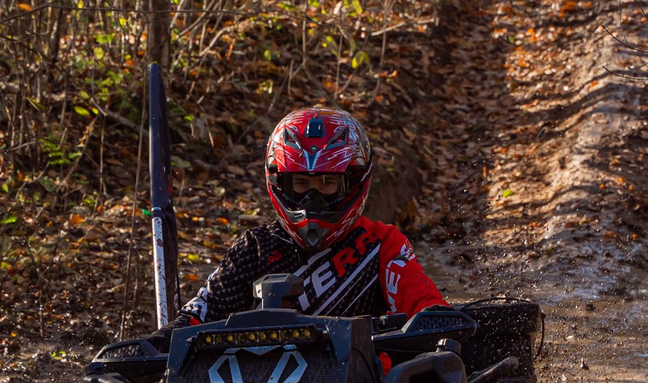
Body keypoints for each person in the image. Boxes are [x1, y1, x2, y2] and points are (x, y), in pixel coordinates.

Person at [182, 107, 448, 323]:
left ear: (353, 182)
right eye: (300, 184)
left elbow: (423, 303)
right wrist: (162, 339)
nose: (313, 198)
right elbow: (201, 313)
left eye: (327, 184)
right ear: (280, 183)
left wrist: (435, 319)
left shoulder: (381, 244)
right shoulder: (254, 248)